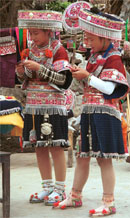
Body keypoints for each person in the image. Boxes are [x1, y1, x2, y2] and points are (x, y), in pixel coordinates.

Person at [53, 7, 129, 216]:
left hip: (105, 113)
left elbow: (110, 89)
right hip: (88, 111)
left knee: (103, 158)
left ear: (105, 38)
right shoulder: (95, 56)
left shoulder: (113, 58)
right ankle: (75, 196)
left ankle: (109, 202)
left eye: (92, 38)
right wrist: (81, 74)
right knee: (82, 155)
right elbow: (91, 80)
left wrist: (87, 76)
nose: (88, 43)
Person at [16, 9, 72, 206]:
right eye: (30, 33)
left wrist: (39, 68)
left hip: (53, 105)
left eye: (36, 33)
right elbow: (25, 79)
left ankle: (61, 188)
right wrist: (23, 72)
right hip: (33, 105)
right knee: (39, 147)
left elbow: (64, 80)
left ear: (49, 31)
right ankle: (47, 187)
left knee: (56, 146)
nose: (32, 37)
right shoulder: (30, 49)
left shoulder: (58, 49)